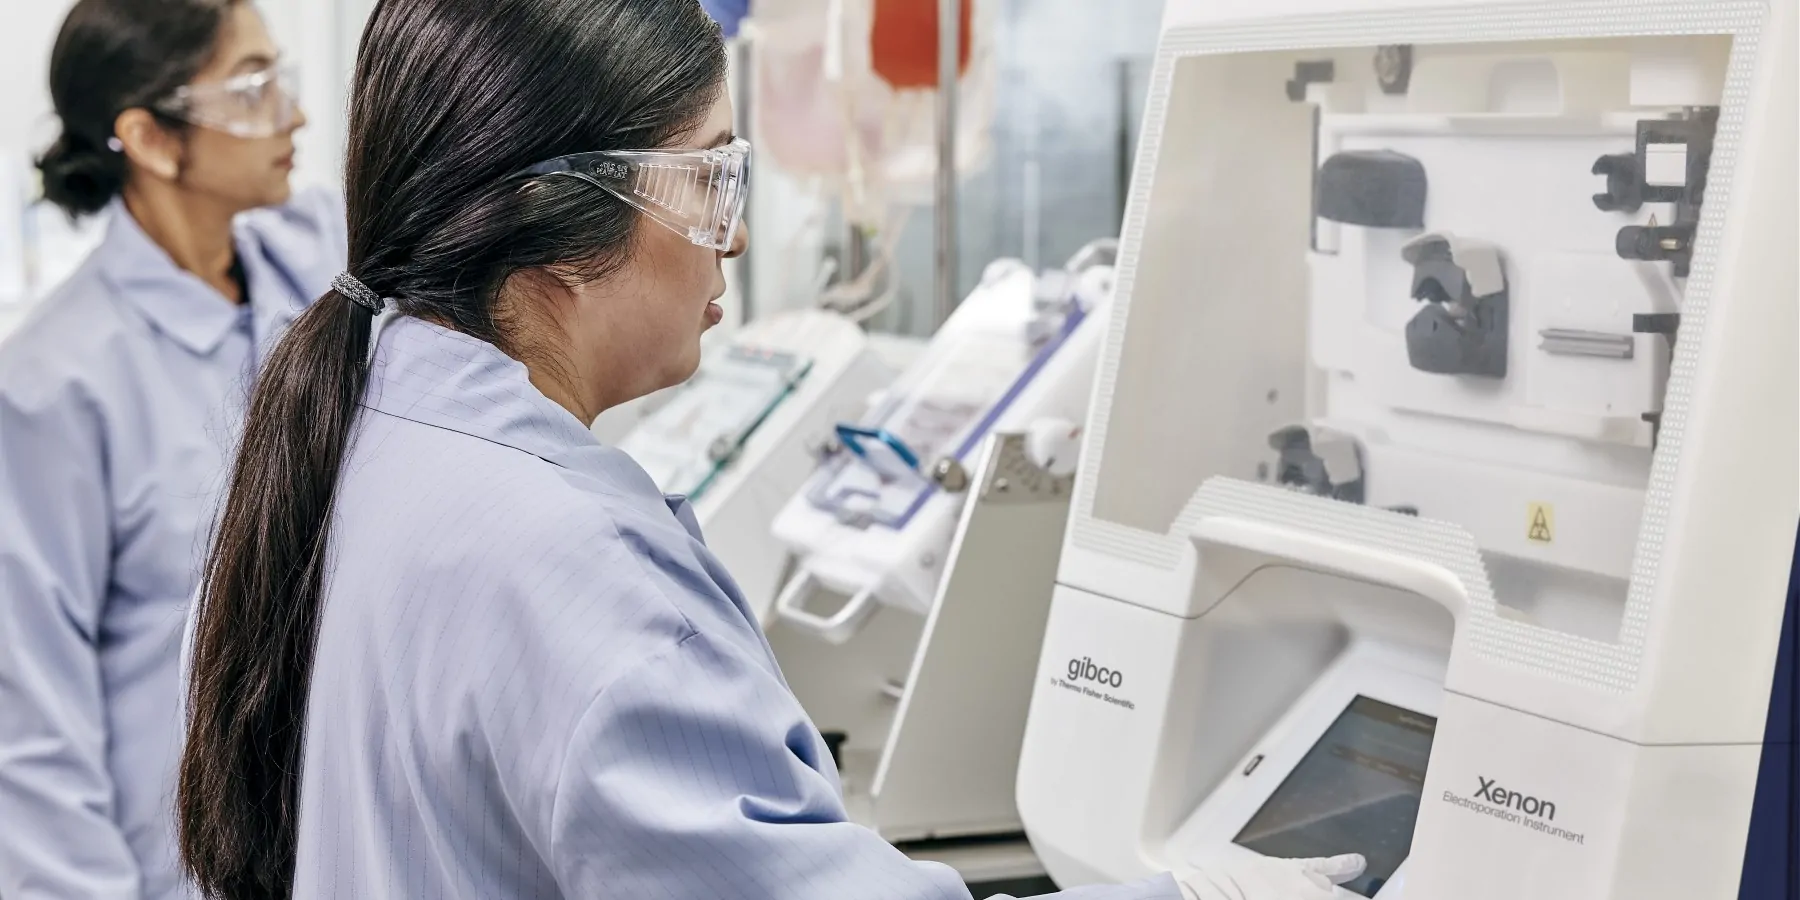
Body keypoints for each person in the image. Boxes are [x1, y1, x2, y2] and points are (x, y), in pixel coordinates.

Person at [175, 0, 1363, 898]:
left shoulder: (364, 424)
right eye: (711, 179)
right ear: (554, 214)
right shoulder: (576, 573)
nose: (730, 243)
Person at [0, 0, 342, 897]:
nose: (294, 115)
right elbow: (29, 725)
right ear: (150, 140)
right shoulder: (52, 387)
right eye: (255, 89)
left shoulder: (310, 265)